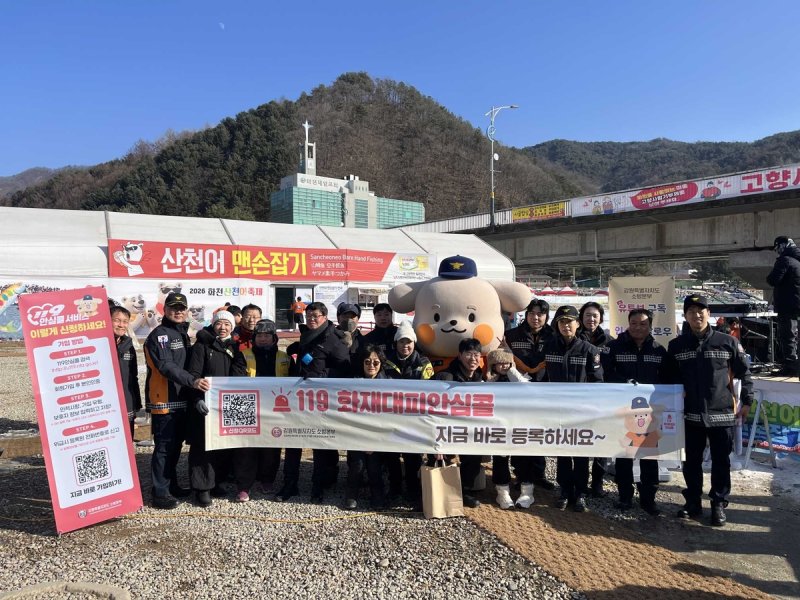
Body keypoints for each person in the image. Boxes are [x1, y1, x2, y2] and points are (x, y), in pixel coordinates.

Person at [665, 294, 753, 527]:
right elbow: (669, 377)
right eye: (692, 311)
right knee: (691, 461)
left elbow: (745, 373)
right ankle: (693, 502)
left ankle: (718, 504)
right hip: (691, 414)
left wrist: (747, 401)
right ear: (685, 316)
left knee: (721, 461)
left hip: (722, 413)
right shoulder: (676, 346)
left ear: (709, 314)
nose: (697, 315)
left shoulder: (728, 342)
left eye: (701, 310)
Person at [144, 292, 209, 509]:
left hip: (181, 400)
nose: (178, 311)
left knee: (174, 446)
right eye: (173, 307)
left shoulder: (181, 333)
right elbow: (166, 366)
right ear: (165, 309)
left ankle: (170, 486)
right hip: (165, 399)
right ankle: (160, 492)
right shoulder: (160, 335)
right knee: (164, 447)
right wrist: (193, 381)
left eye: (182, 308)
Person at [602, 308, 667, 516]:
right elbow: (605, 374)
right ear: (628, 324)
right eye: (634, 323)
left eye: (643, 324)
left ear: (650, 326)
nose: (638, 327)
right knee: (624, 456)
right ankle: (624, 496)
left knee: (649, 457)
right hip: (622, 412)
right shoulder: (613, 348)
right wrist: (624, 383)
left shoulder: (659, 351)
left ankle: (648, 499)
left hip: (650, 414)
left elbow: (668, 379)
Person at [284, 302, 351, 502]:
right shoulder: (306, 335)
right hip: (300, 399)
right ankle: (289, 484)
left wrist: (320, 376)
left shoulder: (332, 338)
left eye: (316, 316)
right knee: (292, 441)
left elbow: (345, 368)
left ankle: (318, 487)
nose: (312, 319)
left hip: (321, 401)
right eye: (309, 315)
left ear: (324, 317)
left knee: (320, 445)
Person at [543, 305, 603, 512]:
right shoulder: (548, 347)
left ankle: (580, 493)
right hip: (557, 410)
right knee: (562, 452)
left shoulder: (589, 351)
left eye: (570, 321)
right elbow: (537, 375)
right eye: (561, 322)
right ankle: (564, 490)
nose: (566, 325)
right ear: (556, 325)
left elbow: (597, 382)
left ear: (578, 324)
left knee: (580, 454)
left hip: (581, 412)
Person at [185, 311, 248, 507]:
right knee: (202, 447)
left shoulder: (235, 347)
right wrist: (196, 398)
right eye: (219, 323)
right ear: (213, 325)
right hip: (204, 405)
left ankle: (215, 482)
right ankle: (201, 488)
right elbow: (193, 374)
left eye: (227, 324)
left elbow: (239, 375)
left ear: (232, 327)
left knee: (221, 446)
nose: (223, 328)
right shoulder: (202, 346)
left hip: (225, 405)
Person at [503, 298, 557, 490]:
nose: (536, 317)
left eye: (540, 314)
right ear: (525, 315)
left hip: (543, 393)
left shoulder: (554, 336)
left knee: (538, 433)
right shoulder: (510, 335)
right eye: (532, 313)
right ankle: (520, 474)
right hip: (517, 393)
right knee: (519, 433)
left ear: (546, 317)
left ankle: (539, 474)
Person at [235, 318, 290, 501]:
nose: (263, 339)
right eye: (259, 335)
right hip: (249, 408)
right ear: (254, 337)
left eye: (267, 335)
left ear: (274, 338)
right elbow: (235, 381)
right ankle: (244, 485)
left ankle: (267, 479)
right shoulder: (243, 356)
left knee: (271, 447)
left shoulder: (284, 358)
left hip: (275, 410)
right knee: (247, 448)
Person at [383, 321, 433, 508]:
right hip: (391, 417)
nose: (406, 345)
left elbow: (430, 392)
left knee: (413, 457)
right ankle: (394, 490)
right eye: (402, 341)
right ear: (396, 343)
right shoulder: (386, 361)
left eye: (409, 342)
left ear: (414, 343)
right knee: (392, 457)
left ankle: (413, 490)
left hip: (414, 418)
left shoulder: (424, 363)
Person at [432, 338, 485, 509]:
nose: (473, 359)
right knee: (439, 460)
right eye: (469, 354)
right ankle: (436, 493)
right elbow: (430, 408)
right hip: (445, 430)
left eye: (476, 354)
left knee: (473, 457)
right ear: (460, 355)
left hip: (468, 430)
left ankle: (464, 491)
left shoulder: (480, 379)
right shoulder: (445, 378)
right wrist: (436, 442)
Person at [486, 348, 535, 510]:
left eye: (506, 362)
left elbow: (525, 387)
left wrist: (512, 370)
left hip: (520, 425)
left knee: (523, 458)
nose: (503, 366)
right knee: (500, 459)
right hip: (500, 427)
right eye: (499, 363)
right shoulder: (489, 381)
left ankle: (527, 491)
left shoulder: (519, 378)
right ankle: (502, 491)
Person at [343, 344, 388, 510]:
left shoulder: (390, 384)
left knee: (375, 467)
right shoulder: (352, 383)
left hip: (379, 434)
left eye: (376, 362)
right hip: (357, 433)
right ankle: (351, 493)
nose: (371, 366)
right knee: (357, 465)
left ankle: (377, 493)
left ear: (381, 364)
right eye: (367, 361)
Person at [578, 301, 611, 498]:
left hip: (602, 397)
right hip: (580, 398)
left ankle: (597, 480)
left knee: (602, 440)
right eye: (587, 315)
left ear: (600, 318)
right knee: (580, 439)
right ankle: (579, 482)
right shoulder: (574, 338)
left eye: (595, 316)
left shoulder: (609, 341)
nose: (591, 319)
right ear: (581, 318)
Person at [766, 236, 800, 376]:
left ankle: (790, 367)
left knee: (787, 337)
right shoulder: (798, 261)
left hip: (787, 305)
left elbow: (773, 279)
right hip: (797, 303)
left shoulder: (784, 261)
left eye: (777, 248)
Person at [110, 305, 142, 439]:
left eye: (125, 321)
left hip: (127, 401)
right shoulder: (98, 344)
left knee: (127, 440)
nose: (121, 325)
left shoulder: (129, 347)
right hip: (107, 404)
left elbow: (133, 377)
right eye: (117, 320)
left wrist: (136, 402)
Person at [336, 302, 365, 366]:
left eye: (352, 317)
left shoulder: (363, 341)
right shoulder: (330, 337)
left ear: (358, 319)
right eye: (345, 316)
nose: (349, 320)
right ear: (338, 318)